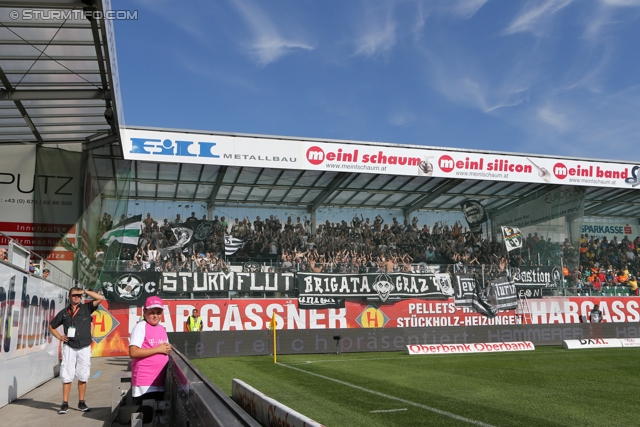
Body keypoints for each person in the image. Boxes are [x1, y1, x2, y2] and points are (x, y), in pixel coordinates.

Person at [48, 287, 105, 414]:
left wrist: (84, 291)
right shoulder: (64, 312)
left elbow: (100, 298)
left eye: (79, 295)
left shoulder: (86, 308)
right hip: (69, 346)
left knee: (83, 375)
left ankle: (81, 402)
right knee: (67, 375)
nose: (77, 297)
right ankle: (65, 403)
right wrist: (60, 337)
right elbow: (51, 326)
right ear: (69, 297)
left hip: (84, 346)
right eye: (74, 295)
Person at [129, 296, 171, 405]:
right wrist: (158, 349)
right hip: (145, 383)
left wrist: (167, 349)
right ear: (144, 311)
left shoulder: (162, 328)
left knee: (156, 417)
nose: (156, 315)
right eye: (152, 312)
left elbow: (164, 349)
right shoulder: (141, 327)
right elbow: (133, 352)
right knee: (146, 417)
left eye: (158, 312)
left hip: (159, 382)